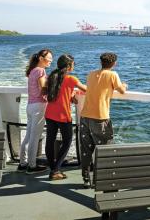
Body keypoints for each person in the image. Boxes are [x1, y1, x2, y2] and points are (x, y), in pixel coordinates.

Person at [79, 52, 127, 187]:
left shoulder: (91, 74)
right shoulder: (113, 75)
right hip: (100, 118)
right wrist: (124, 84)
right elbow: (121, 90)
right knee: (104, 150)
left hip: (85, 116)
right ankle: (100, 180)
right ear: (114, 63)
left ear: (101, 62)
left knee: (86, 150)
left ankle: (86, 179)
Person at [44, 54, 87, 181]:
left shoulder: (52, 76)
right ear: (68, 65)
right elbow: (86, 89)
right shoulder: (71, 79)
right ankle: (55, 170)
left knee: (50, 141)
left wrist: (70, 93)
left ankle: (53, 168)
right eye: (73, 64)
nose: (74, 66)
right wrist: (73, 92)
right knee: (67, 141)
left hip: (50, 113)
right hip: (63, 115)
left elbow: (55, 91)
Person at [18, 49, 52, 174]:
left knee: (28, 135)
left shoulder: (32, 71)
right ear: (41, 59)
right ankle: (32, 166)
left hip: (30, 106)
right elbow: (43, 89)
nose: (50, 61)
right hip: (39, 106)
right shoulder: (41, 71)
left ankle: (23, 163)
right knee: (35, 136)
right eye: (49, 58)